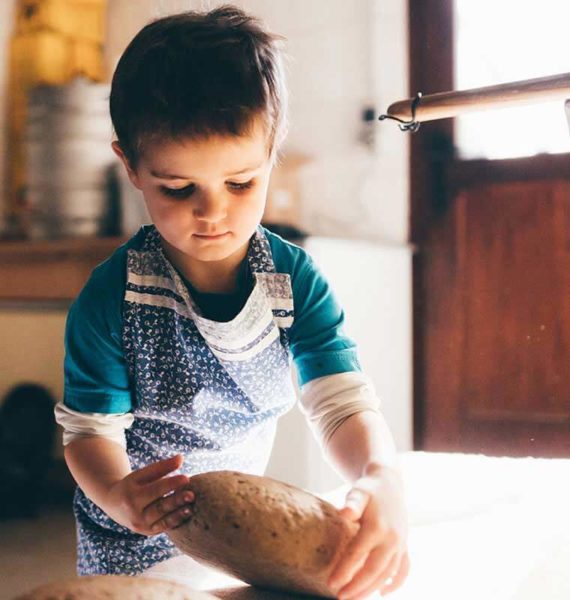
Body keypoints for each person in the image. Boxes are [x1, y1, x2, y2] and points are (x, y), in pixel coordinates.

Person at [54, 5, 409, 598]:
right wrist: (119, 493)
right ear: (131, 168)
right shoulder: (110, 298)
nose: (212, 211)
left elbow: (341, 403)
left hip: (237, 536)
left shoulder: (293, 283)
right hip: (133, 540)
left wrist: (381, 475)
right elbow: (90, 433)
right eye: (178, 188)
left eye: (240, 182)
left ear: (273, 151)